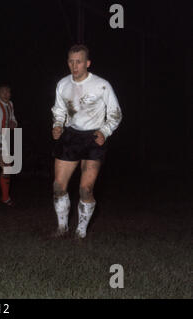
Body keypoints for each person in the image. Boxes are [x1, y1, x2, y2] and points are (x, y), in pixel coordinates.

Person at [51, 44, 122, 239]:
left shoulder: (102, 85)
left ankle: (80, 233)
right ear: (68, 62)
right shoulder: (63, 84)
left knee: (85, 189)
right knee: (58, 186)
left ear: (87, 63)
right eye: (71, 62)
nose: (75, 66)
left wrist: (105, 131)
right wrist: (57, 125)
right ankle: (61, 228)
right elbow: (59, 110)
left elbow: (115, 114)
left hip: (93, 139)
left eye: (79, 62)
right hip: (71, 136)